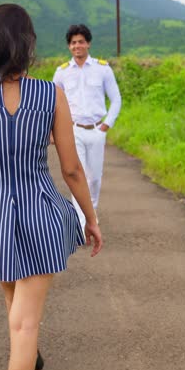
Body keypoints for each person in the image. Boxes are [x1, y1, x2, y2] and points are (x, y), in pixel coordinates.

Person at [0, 4, 103, 370]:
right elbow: (72, 170)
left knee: (15, 303)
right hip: (42, 212)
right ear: (28, 43)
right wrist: (91, 218)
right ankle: (26, 354)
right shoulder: (51, 94)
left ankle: (27, 354)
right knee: (25, 323)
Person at [51, 24, 122, 226]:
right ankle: (82, 223)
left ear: (88, 43)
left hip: (96, 130)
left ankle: (91, 215)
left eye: (81, 42)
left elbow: (116, 99)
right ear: (69, 46)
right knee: (77, 174)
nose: (77, 46)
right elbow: (53, 102)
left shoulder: (103, 69)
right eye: (73, 43)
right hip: (73, 130)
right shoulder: (62, 72)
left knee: (94, 178)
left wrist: (106, 125)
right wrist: (53, 130)